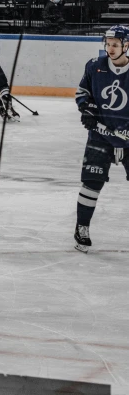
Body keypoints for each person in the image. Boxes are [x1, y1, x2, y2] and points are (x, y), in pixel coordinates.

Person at [74, 24, 129, 252]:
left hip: (126, 137)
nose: (111, 48)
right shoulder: (95, 66)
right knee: (91, 183)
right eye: (108, 44)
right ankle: (82, 227)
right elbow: (82, 92)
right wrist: (86, 109)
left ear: (126, 46)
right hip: (99, 136)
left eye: (115, 45)